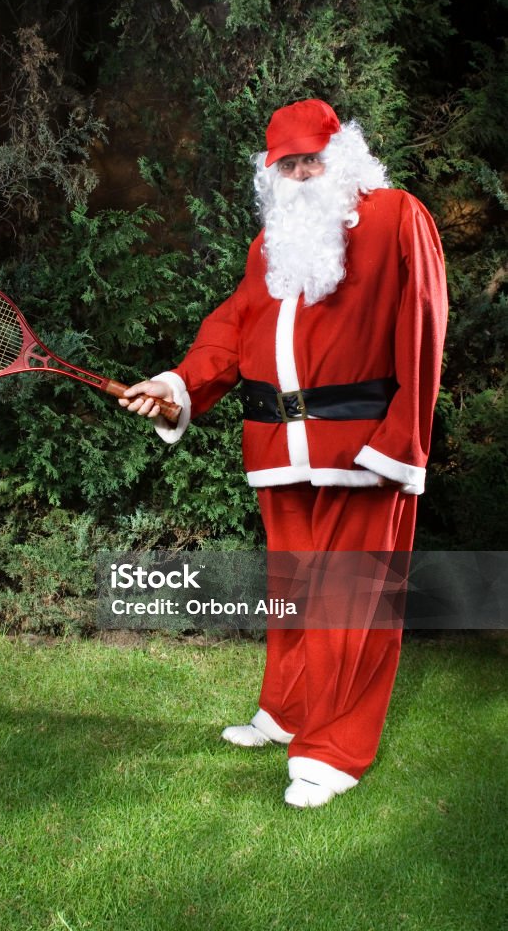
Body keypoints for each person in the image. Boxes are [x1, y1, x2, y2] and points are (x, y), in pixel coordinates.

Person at [118, 98, 448, 808]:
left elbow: (423, 327)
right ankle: (287, 712)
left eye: (311, 160)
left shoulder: (396, 216)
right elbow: (232, 327)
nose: (300, 173)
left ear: (343, 159)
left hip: (363, 450)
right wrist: (178, 385)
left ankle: (332, 751)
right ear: (271, 174)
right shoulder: (269, 246)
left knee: (351, 605)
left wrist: (400, 443)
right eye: (286, 164)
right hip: (278, 449)